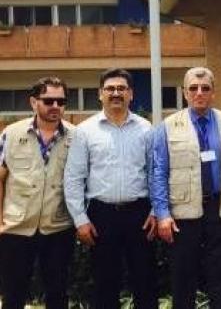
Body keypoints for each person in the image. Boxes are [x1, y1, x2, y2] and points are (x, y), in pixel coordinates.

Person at [64, 68, 158, 309]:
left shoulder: (146, 128)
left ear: (131, 94)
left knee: (145, 282)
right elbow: (74, 178)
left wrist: (156, 210)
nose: (116, 93)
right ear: (100, 94)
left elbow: (155, 172)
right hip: (101, 216)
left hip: (140, 215)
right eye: (110, 89)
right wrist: (80, 220)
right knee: (105, 285)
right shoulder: (85, 131)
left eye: (121, 88)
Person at [151, 66, 221, 309]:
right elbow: (159, 172)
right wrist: (162, 214)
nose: (199, 92)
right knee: (183, 278)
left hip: (220, 210)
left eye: (205, 88)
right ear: (185, 92)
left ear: (213, 92)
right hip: (183, 212)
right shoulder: (168, 126)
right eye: (193, 88)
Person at [0, 77, 75, 309]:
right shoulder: (11, 134)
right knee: (13, 295)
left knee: (57, 294)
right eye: (49, 101)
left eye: (61, 101)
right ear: (34, 102)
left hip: (58, 227)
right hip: (16, 228)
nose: (56, 106)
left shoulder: (76, 136)